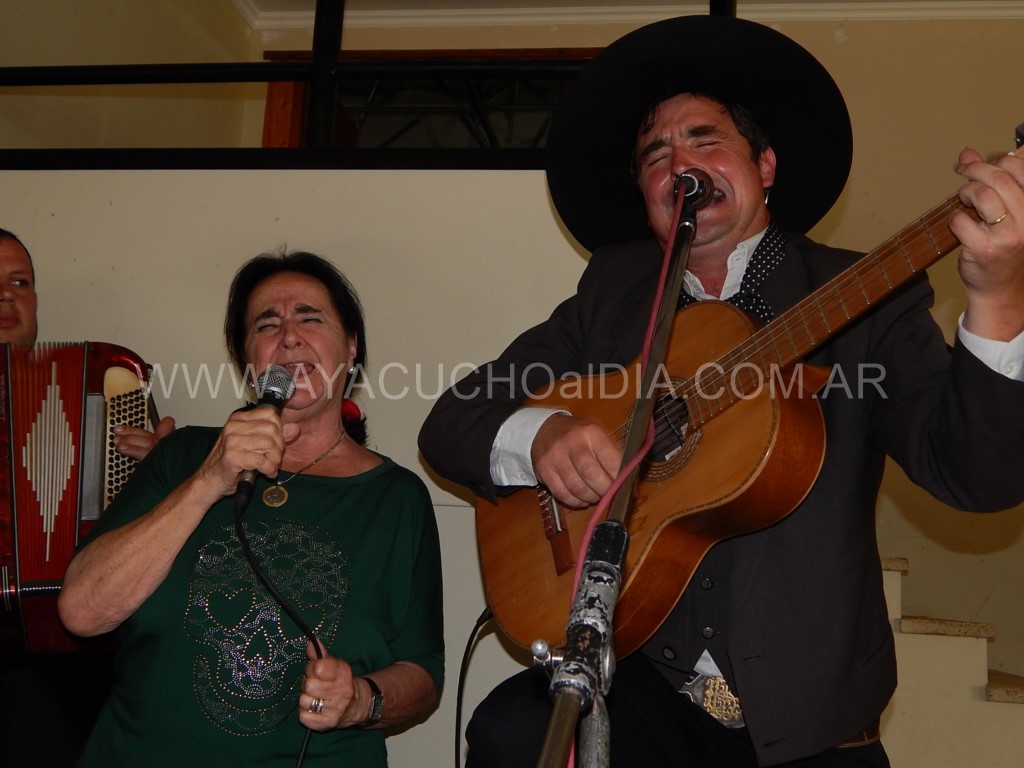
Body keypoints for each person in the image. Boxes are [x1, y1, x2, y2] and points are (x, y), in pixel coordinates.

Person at [418, 14, 1024, 768]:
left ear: (764, 166)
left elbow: (975, 474)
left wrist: (997, 301)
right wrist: (540, 436)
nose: (679, 161)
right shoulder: (610, 296)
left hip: (811, 723)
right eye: (655, 154)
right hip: (641, 689)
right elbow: (454, 419)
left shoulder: (861, 291)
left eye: (705, 140)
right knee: (511, 732)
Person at [58, 250, 445, 767]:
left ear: (351, 346)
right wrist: (208, 480)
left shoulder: (396, 496)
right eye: (267, 324)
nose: (288, 336)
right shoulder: (182, 457)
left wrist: (360, 700)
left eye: (310, 318)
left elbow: (423, 674)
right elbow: (82, 613)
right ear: (248, 359)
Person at [0, 226, 173, 768]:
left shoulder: (98, 380)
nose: (7, 296)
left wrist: (159, 479)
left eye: (20, 282)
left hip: (77, 653)